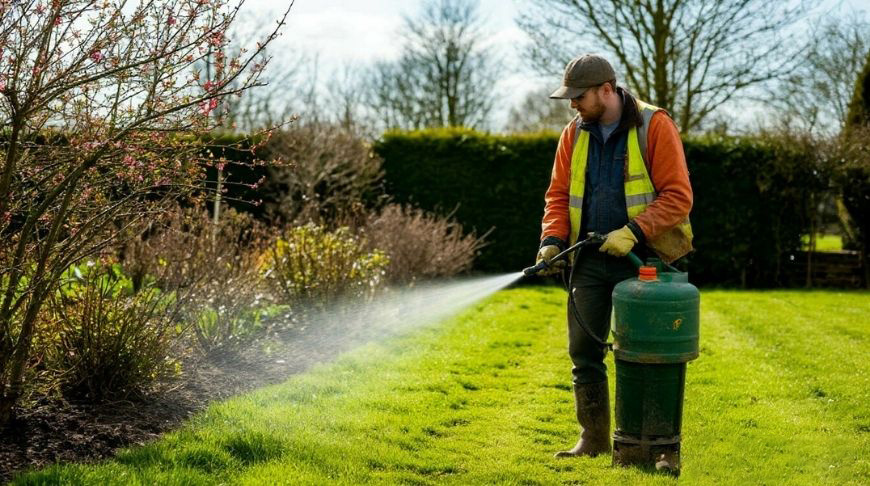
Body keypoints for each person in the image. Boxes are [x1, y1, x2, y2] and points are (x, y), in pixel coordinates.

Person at [535, 54, 693, 459]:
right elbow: (557, 196)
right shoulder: (574, 134)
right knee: (583, 352)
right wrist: (552, 239)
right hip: (589, 260)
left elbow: (678, 197)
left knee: (647, 352)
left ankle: (652, 444)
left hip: (648, 261)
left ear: (607, 90)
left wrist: (633, 232)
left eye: (579, 97)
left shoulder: (653, 125)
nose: (572, 105)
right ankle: (592, 439)